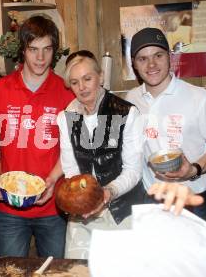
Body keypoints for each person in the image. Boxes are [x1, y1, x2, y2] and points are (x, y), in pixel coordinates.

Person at [0, 15, 75, 258]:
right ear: (23, 50)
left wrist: (54, 180)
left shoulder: (66, 94)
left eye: (47, 49)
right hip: (8, 209)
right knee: (11, 272)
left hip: (53, 208)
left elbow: (71, 147)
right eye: (33, 49)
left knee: (54, 273)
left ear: (54, 50)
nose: (40, 58)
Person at [126, 27, 206, 224]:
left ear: (170, 57)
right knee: (154, 255)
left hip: (191, 201)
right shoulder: (131, 99)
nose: (151, 64)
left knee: (200, 256)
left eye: (158, 55)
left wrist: (193, 169)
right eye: (142, 58)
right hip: (150, 199)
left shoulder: (200, 98)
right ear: (134, 65)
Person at [57, 50, 146, 259]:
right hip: (82, 215)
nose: (82, 87)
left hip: (120, 210)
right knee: (77, 270)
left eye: (88, 78)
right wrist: (80, 199)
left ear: (101, 77)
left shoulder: (126, 113)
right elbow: (70, 169)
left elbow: (134, 170)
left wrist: (108, 192)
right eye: (75, 82)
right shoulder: (66, 117)